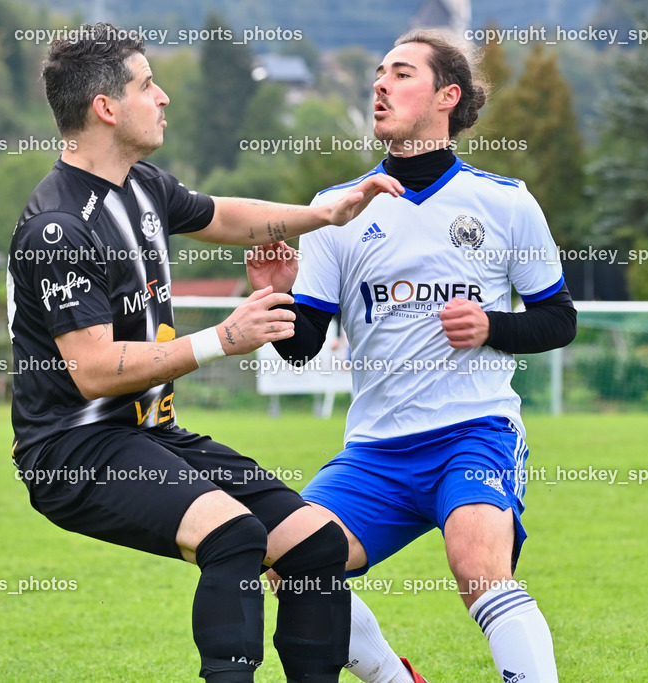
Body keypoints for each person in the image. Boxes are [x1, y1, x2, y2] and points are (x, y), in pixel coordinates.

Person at [5, 23, 403, 683]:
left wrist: (325, 215)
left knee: (318, 544)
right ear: (106, 108)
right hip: (73, 448)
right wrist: (223, 337)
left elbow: (226, 215)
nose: (163, 98)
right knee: (235, 537)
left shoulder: (143, 186)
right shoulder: (58, 228)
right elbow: (95, 370)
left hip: (149, 434)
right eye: (146, 85)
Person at [247, 29, 576, 683]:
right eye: (377, 73)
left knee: (479, 565)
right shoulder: (333, 211)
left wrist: (490, 326)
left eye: (400, 73)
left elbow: (558, 319)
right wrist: (279, 298)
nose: (380, 85)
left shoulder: (505, 201)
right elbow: (303, 345)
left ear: (447, 96)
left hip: (473, 432)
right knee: (287, 559)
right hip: (376, 449)